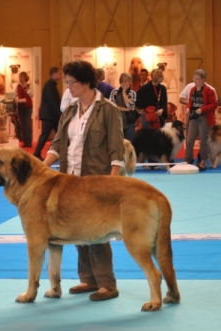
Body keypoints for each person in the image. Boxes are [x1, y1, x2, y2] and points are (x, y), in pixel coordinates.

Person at [43, 60, 124, 302]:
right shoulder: (68, 111)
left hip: (97, 184)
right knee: (77, 231)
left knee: (96, 233)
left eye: (71, 82)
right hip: (70, 182)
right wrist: (40, 167)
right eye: (66, 82)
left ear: (87, 82)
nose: (67, 86)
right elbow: (58, 144)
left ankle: (108, 284)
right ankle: (88, 279)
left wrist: (113, 183)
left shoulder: (108, 110)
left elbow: (116, 150)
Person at [184, 69, 218, 171]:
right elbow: (191, 101)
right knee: (189, 140)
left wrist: (202, 109)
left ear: (203, 80)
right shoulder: (192, 90)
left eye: (198, 79)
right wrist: (188, 108)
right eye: (194, 78)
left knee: (203, 140)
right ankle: (188, 160)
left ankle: (202, 160)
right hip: (194, 118)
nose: (195, 80)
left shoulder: (209, 91)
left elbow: (214, 104)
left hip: (204, 118)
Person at [34, 67, 62, 160]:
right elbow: (53, 101)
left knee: (55, 134)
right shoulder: (50, 85)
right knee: (48, 134)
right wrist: (60, 114)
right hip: (50, 116)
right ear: (53, 74)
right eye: (59, 73)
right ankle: (36, 153)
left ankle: (37, 153)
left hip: (50, 115)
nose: (60, 76)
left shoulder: (50, 85)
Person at [109, 72, 137, 141]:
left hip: (129, 123)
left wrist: (124, 93)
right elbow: (113, 106)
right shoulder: (114, 92)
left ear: (130, 81)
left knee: (129, 144)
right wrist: (126, 109)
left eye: (126, 81)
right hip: (117, 123)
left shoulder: (132, 93)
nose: (124, 83)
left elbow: (130, 106)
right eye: (122, 81)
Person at [16, 71, 33, 147]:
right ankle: (24, 142)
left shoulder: (29, 85)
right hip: (21, 107)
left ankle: (28, 142)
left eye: (22, 77)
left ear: (25, 77)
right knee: (22, 125)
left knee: (27, 124)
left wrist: (27, 89)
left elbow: (32, 95)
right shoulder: (18, 86)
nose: (20, 78)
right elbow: (15, 95)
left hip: (28, 107)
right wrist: (15, 99)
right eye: (19, 77)